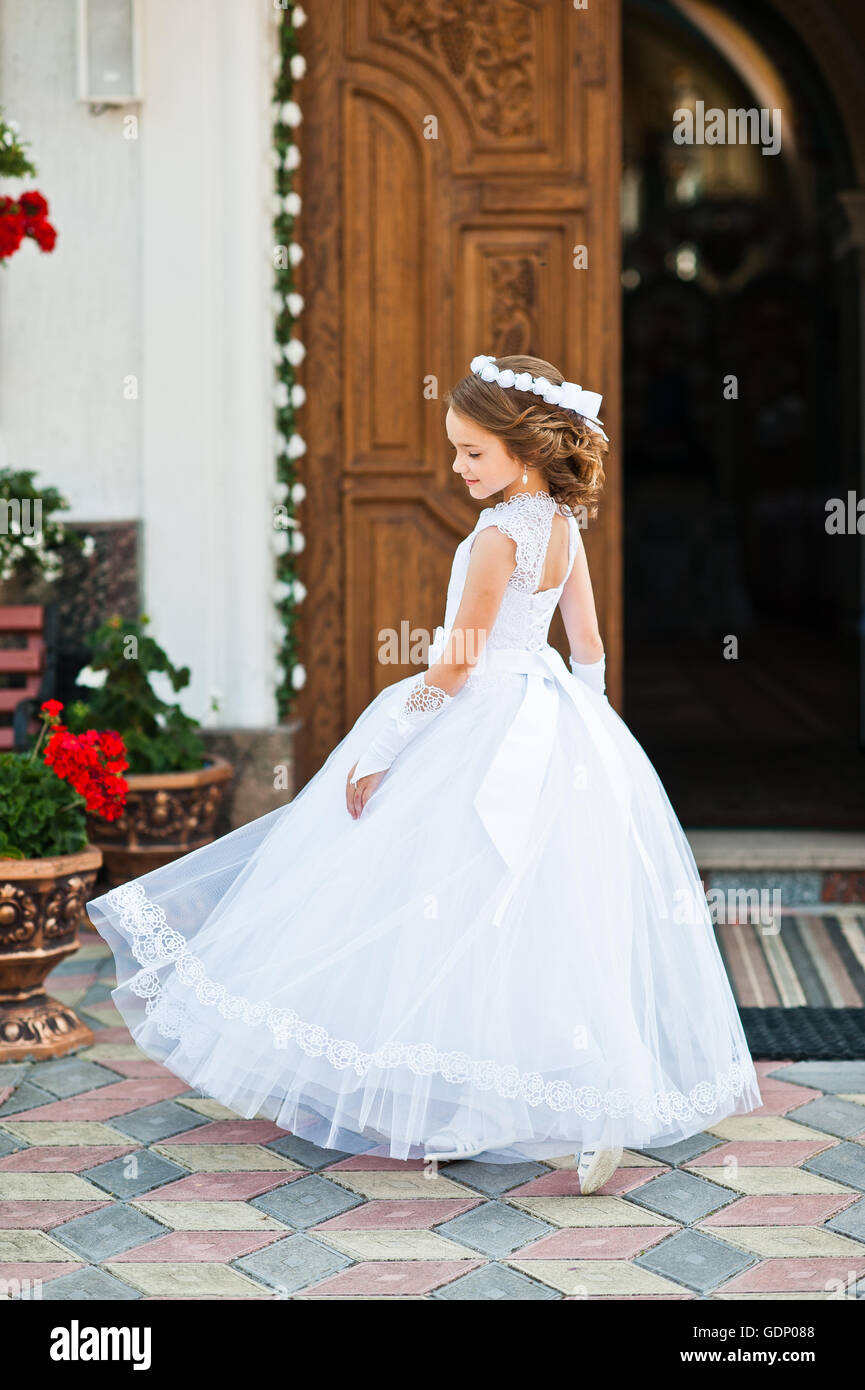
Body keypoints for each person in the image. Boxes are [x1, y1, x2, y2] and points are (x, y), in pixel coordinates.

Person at [86, 353, 762, 1196]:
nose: (457, 468)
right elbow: (587, 649)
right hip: (549, 716)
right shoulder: (559, 524)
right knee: (548, 914)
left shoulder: (495, 538)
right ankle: (583, 1101)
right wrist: (586, 731)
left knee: (438, 901)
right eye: (453, 450)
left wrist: (378, 754)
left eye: (472, 452)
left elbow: (453, 668)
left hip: (480, 721)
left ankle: (445, 1098)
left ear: (523, 448)